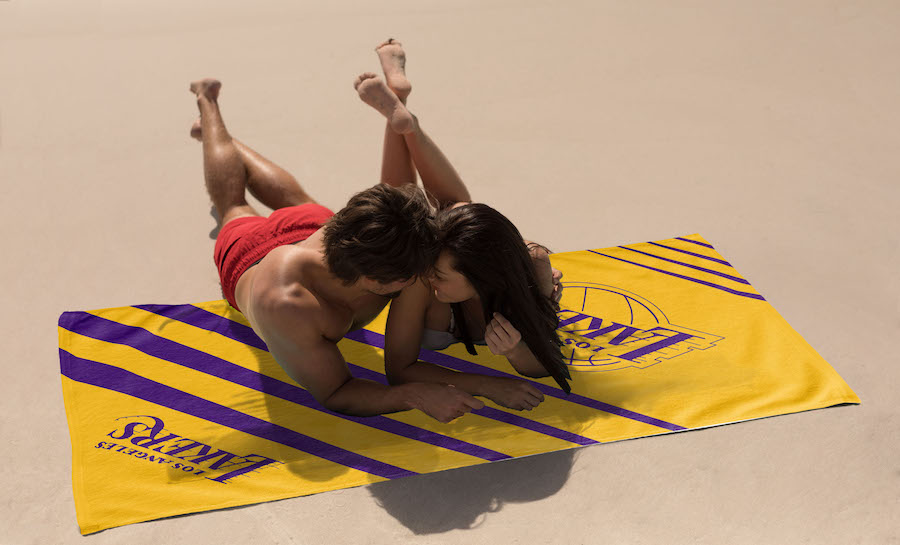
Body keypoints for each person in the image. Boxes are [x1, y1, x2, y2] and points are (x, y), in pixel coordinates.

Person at [188, 76, 484, 423]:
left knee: (296, 202)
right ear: (380, 282)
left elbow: (398, 191)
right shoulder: (288, 304)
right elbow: (335, 391)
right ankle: (207, 102)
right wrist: (413, 394)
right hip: (250, 256)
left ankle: (220, 137)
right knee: (233, 205)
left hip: (314, 230)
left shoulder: (371, 234)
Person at [358, 39, 571, 412]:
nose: (429, 279)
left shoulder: (525, 273)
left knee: (451, 209)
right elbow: (398, 368)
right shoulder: (422, 279)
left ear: (481, 274)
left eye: (441, 276)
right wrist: (487, 384)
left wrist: (516, 354)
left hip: (497, 249)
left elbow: (547, 359)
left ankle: (403, 111)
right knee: (420, 211)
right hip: (473, 239)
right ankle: (406, 120)